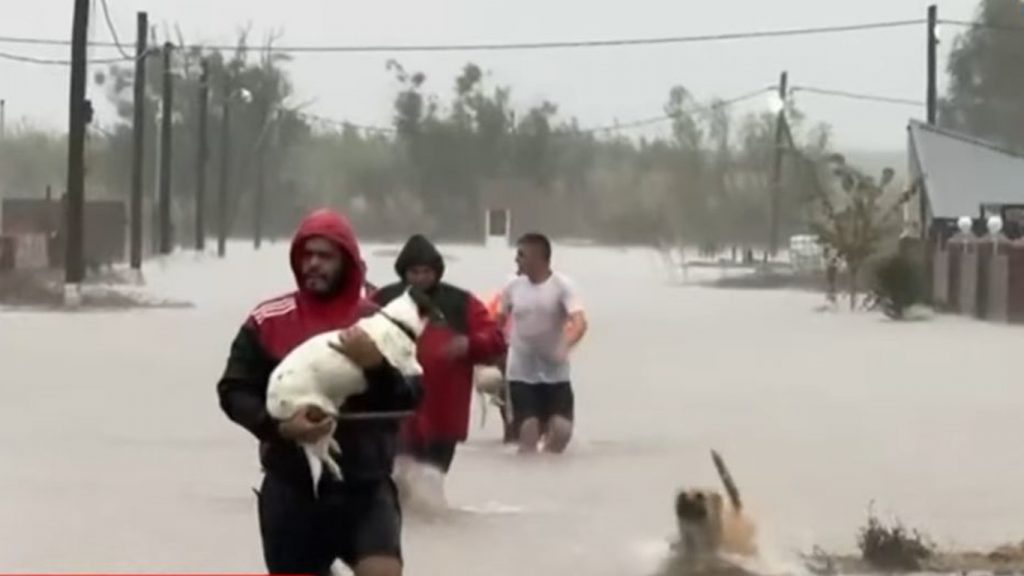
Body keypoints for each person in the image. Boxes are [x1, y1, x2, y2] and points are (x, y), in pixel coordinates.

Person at [216, 208, 421, 576]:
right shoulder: (268, 320)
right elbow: (233, 391)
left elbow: (411, 397)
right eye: (306, 256)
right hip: (292, 488)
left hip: (366, 485)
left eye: (325, 256)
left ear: (347, 261)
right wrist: (278, 427)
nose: (313, 264)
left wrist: (375, 365)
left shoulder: (380, 323)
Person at [372, 234, 506, 475]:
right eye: (414, 272)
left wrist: (470, 344)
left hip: (444, 416)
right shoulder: (382, 300)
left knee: (431, 484)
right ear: (403, 272)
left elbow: (496, 341)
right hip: (394, 415)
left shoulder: (461, 303)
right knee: (399, 482)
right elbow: (353, 335)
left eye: (426, 272)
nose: (420, 278)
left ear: (437, 272)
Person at [496, 232, 588, 454]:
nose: (516, 260)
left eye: (521, 255)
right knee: (528, 432)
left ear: (539, 258)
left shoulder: (563, 286)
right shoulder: (512, 286)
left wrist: (564, 346)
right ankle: (526, 477)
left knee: (562, 431)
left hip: (555, 371)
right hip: (520, 372)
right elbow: (497, 321)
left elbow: (579, 322)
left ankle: (550, 475)